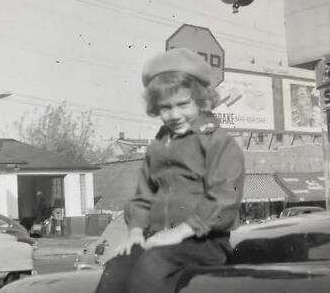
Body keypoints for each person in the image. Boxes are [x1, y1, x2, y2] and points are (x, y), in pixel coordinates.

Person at [95, 48, 245, 293]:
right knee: (117, 267)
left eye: (183, 104)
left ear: (201, 100)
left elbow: (224, 197)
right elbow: (143, 195)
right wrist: (134, 231)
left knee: (153, 266)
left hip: (202, 241)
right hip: (158, 240)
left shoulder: (218, 142)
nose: (174, 115)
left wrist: (180, 232)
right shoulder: (158, 146)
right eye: (165, 108)